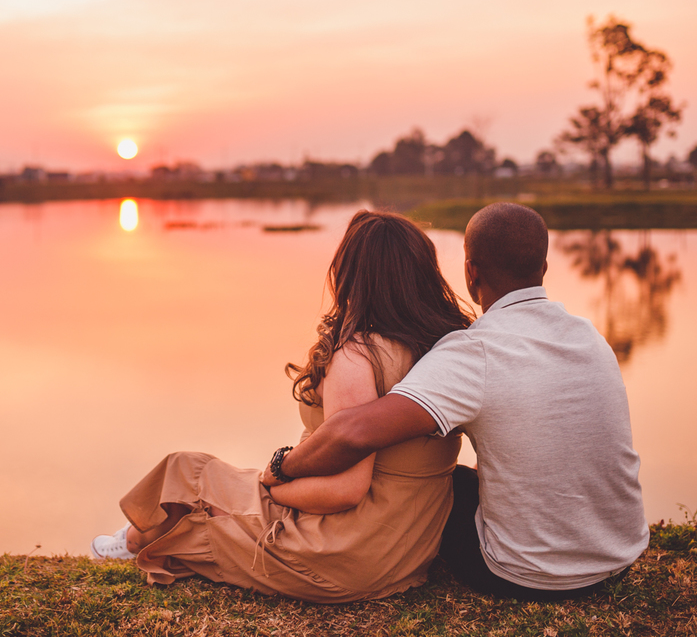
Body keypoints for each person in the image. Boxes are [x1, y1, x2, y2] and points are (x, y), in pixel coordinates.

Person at [261, 202, 648, 602]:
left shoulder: (475, 351)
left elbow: (352, 433)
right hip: (618, 559)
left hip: (524, 576)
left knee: (439, 490)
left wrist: (282, 467)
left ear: (471, 272)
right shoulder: (590, 337)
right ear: (544, 267)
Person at [89, 210, 475, 602]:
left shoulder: (360, 357)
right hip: (406, 550)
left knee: (187, 471)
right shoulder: (447, 349)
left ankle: (134, 540)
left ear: (353, 276)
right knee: (209, 479)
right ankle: (137, 535)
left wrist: (274, 489)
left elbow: (345, 490)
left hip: (345, 552)